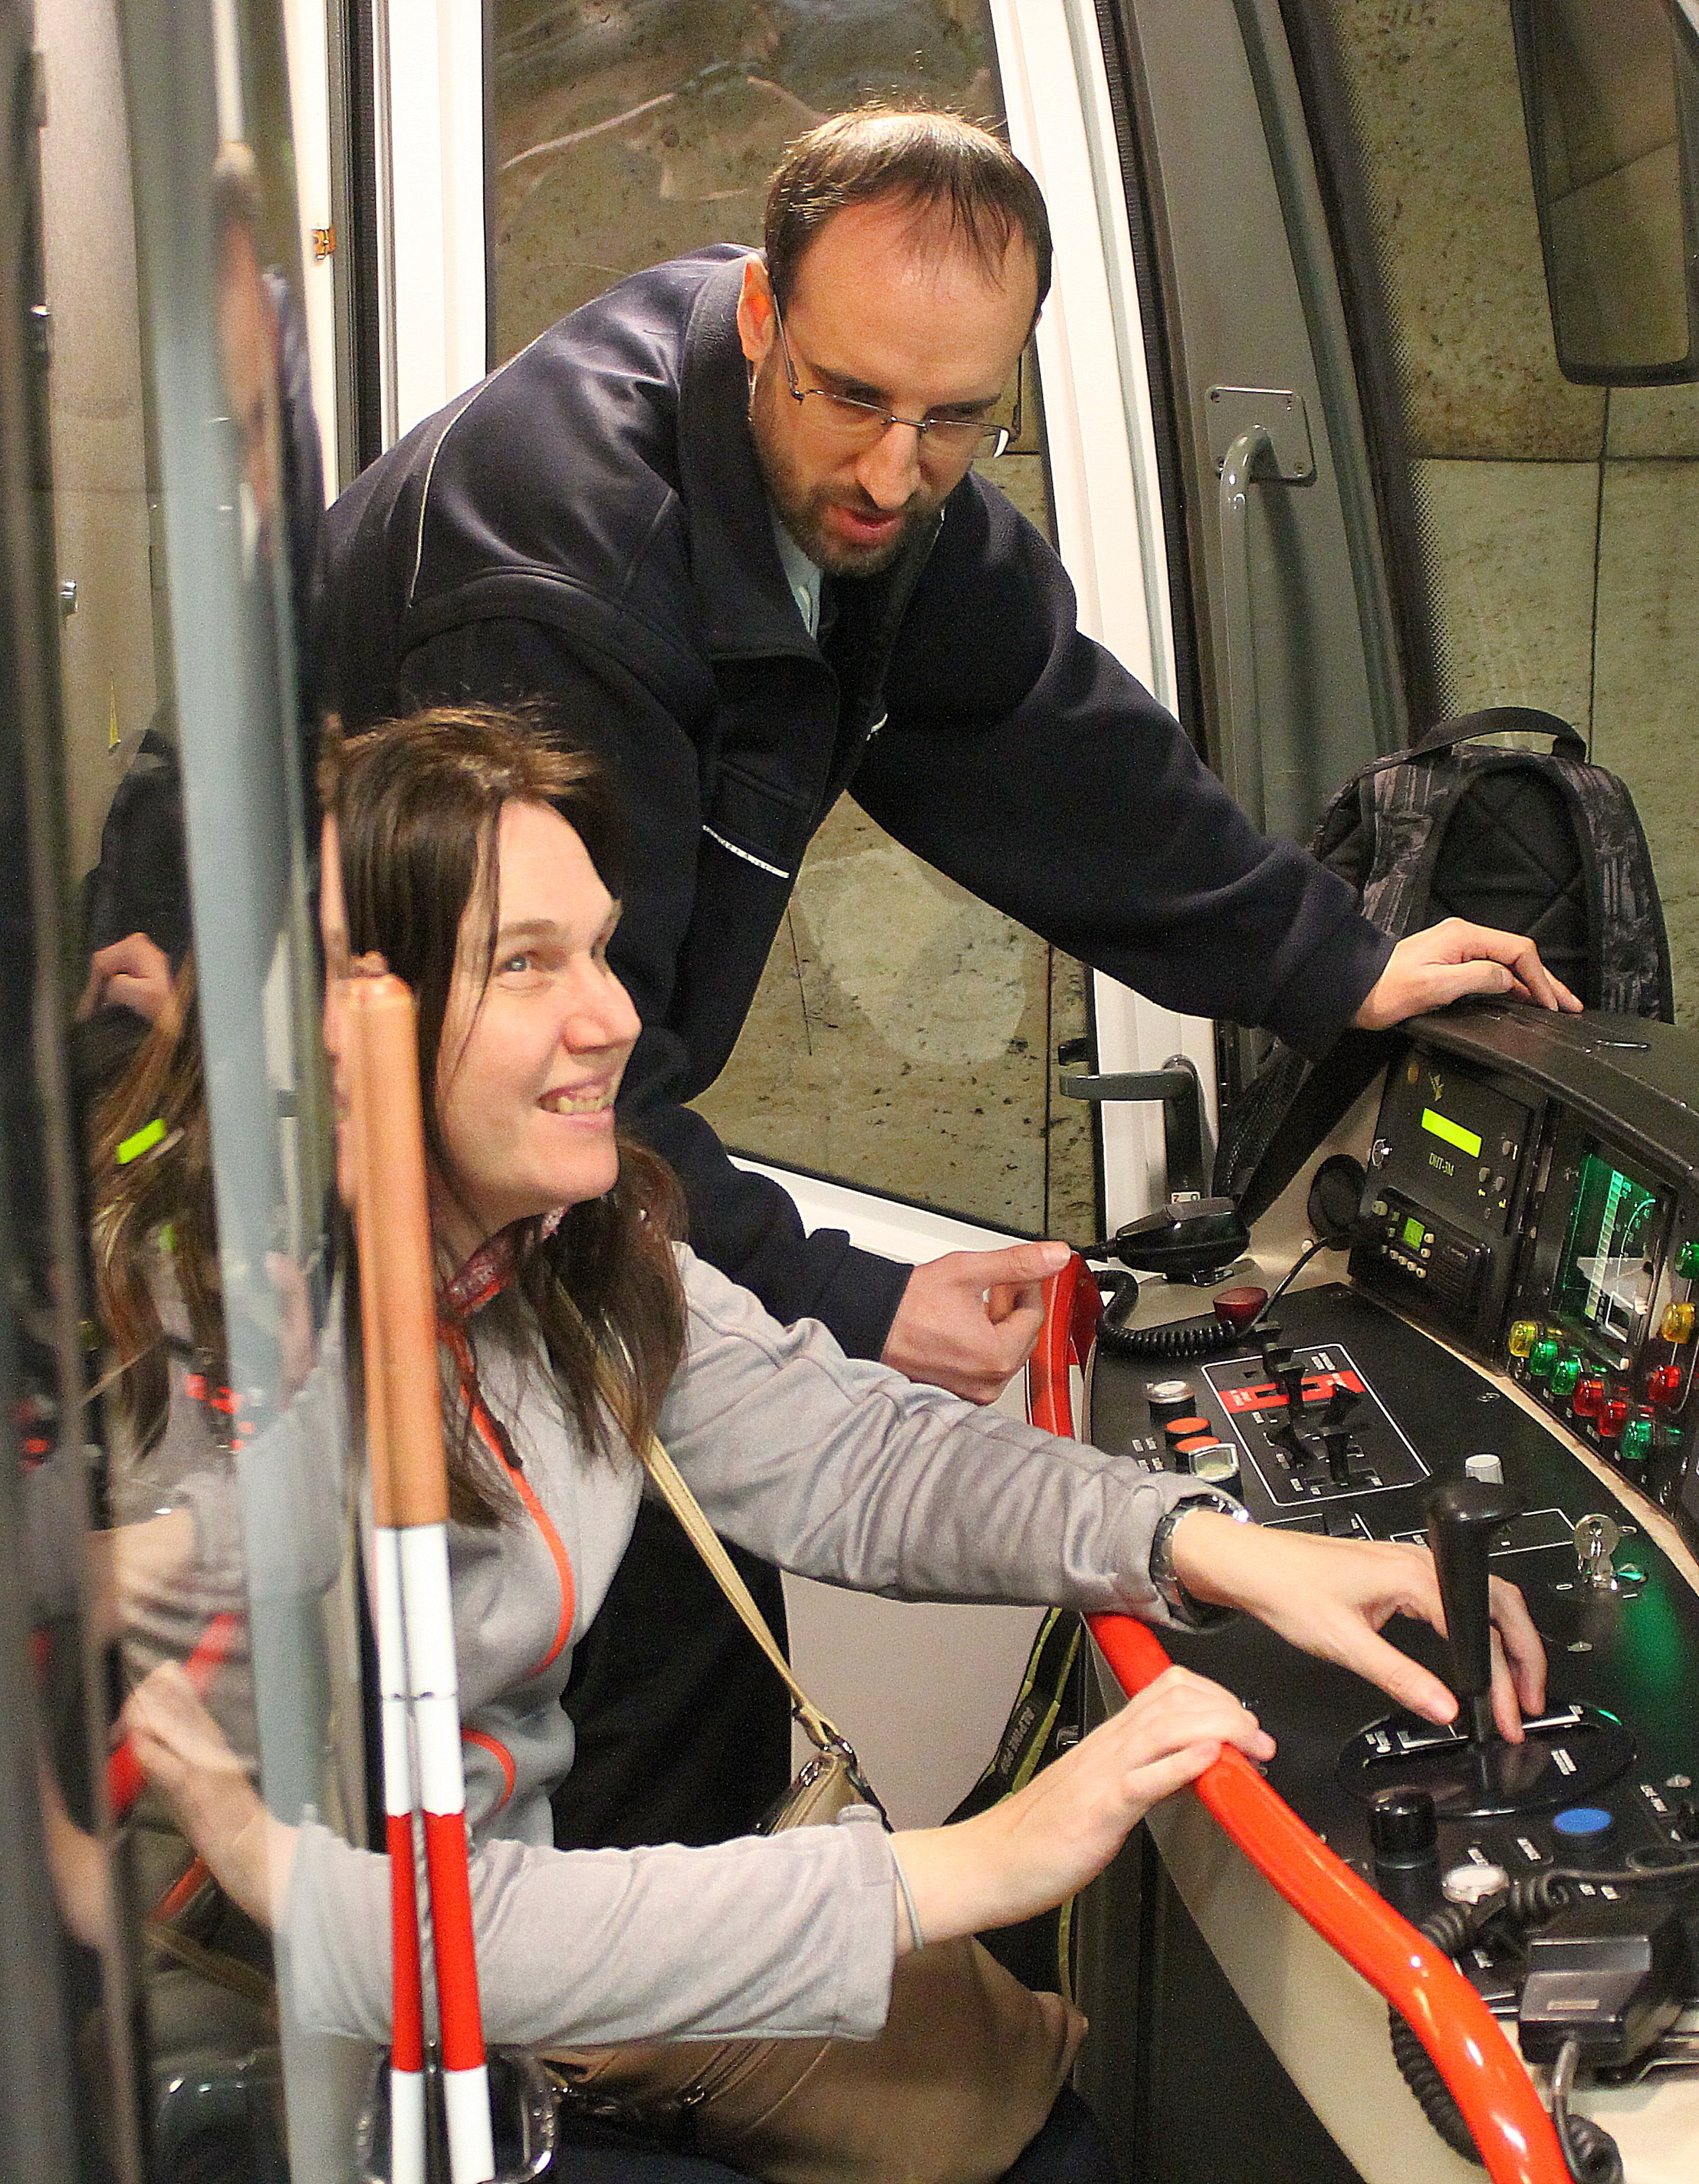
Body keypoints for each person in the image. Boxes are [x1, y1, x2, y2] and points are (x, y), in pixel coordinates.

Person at [315, 109, 1579, 1847]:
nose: (897, 473)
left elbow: (1051, 743)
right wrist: (973, 1873)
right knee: (649, 1646)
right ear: (755, 310)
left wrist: (1333, 961)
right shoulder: (557, 589)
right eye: (852, 399)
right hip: (319, 1185)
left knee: (711, 1584)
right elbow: (579, 1078)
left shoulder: (874, 482)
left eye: (958, 419)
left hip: (513, 1175)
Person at [124, 709, 1544, 2180]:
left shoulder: (552, 1259)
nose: (610, 1019)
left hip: (480, 2003)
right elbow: (372, 1929)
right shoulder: (232, 1387)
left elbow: (851, 1454)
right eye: (525, 965)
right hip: (296, 2073)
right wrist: (967, 1868)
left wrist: (1203, 1542)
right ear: (344, 1035)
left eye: (600, 952)